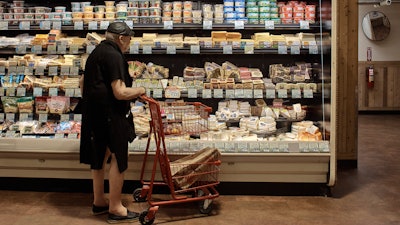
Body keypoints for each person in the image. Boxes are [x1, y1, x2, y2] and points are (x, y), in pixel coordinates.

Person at [79, 21, 146, 223]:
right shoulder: (114, 55)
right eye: (129, 39)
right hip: (111, 115)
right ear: (121, 38)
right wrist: (140, 90)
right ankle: (116, 208)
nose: (130, 43)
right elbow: (120, 92)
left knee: (100, 156)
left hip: (94, 114)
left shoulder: (96, 52)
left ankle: (99, 200)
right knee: (118, 157)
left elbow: (82, 85)